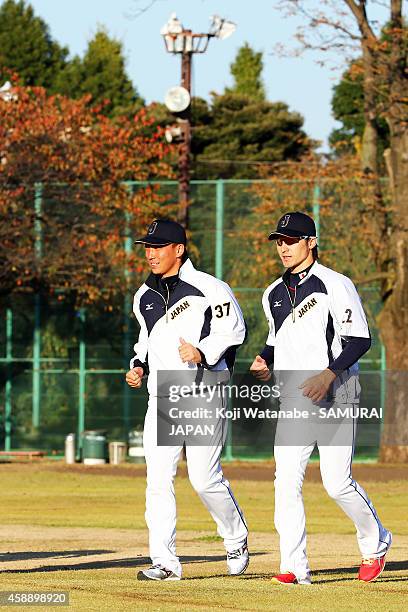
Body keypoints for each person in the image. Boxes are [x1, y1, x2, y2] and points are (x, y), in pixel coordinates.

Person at [250, 211, 392, 585]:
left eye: (291, 240)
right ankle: (294, 567)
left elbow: (359, 340)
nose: (283, 247)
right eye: (279, 241)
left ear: (311, 242)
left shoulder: (335, 283)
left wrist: (329, 374)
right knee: (286, 482)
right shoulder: (272, 293)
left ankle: (376, 542)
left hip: (338, 392)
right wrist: (265, 359)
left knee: (336, 483)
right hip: (294, 399)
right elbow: (276, 341)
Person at [126, 218, 249, 581]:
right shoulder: (143, 297)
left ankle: (235, 536)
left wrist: (203, 351)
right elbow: (144, 344)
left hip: (203, 391)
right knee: (158, 481)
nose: (150, 253)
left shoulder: (209, 288)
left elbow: (235, 330)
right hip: (162, 398)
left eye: (158, 246)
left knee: (204, 479)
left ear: (178, 249)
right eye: (147, 247)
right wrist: (137, 367)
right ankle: (165, 562)